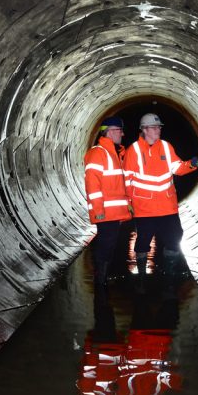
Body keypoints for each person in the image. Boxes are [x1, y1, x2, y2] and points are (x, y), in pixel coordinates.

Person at [123, 113, 198, 281]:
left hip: (167, 206)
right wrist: (129, 202)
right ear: (144, 129)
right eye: (154, 127)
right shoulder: (133, 151)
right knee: (143, 242)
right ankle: (141, 277)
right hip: (144, 208)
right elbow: (126, 179)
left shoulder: (166, 146)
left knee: (175, 237)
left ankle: (168, 272)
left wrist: (190, 165)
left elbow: (177, 167)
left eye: (159, 127)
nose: (158, 130)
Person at [84, 117, 133, 302]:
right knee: (105, 245)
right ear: (111, 131)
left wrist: (128, 203)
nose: (122, 134)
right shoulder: (98, 152)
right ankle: (100, 281)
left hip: (113, 211)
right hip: (105, 211)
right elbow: (92, 182)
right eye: (120, 130)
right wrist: (98, 209)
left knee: (109, 245)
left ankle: (102, 278)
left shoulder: (114, 153)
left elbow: (118, 184)